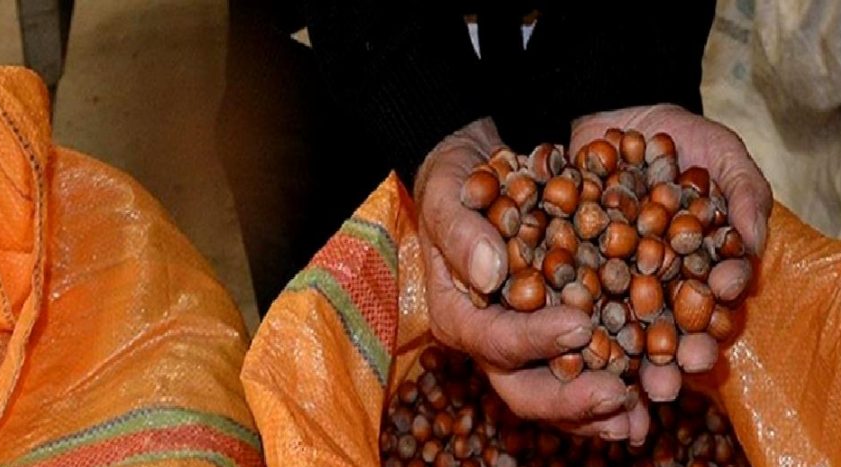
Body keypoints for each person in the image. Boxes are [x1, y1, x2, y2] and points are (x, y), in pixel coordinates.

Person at [304, 4, 773, 444]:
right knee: (330, 330)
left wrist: (628, 60)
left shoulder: (597, 220)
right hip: (351, 56)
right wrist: (416, 95)